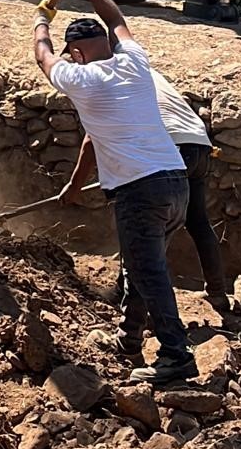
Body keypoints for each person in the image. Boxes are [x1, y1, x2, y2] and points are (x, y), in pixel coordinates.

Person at [33, 0, 196, 387]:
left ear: (78, 52)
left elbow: (43, 59)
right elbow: (117, 17)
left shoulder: (81, 79)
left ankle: (176, 355)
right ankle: (129, 339)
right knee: (142, 264)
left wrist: (41, 21)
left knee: (146, 270)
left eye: (73, 54)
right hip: (176, 183)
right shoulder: (135, 62)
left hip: (140, 191)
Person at [60, 69, 230, 312]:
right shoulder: (140, 70)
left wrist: (74, 186)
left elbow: (91, 140)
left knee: (142, 224)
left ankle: (130, 298)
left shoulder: (110, 81)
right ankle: (218, 293)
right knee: (198, 222)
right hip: (199, 144)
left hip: (170, 145)